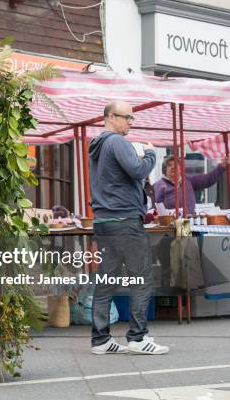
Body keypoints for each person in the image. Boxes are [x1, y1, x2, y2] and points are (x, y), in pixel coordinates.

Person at [88, 101, 169, 355]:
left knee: (106, 281)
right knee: (142, 279)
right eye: (128, 118)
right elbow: (137, 170)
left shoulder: (98, 145)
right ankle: (137, 337)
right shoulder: (116, 142)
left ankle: (100, 341)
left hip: (104, 221)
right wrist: (150, 153)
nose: (131, 123)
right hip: (124, 221)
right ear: (111, 117)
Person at [153, 154, 229, 216]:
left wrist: (221, 166)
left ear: (180, 168)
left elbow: (209, 179)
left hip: (191, 223)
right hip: (171, 226)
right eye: (169, 165)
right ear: (164, 169)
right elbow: (156, 210)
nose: (173, 167)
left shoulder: (188, 180)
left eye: (176, 165)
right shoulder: (158, 185)